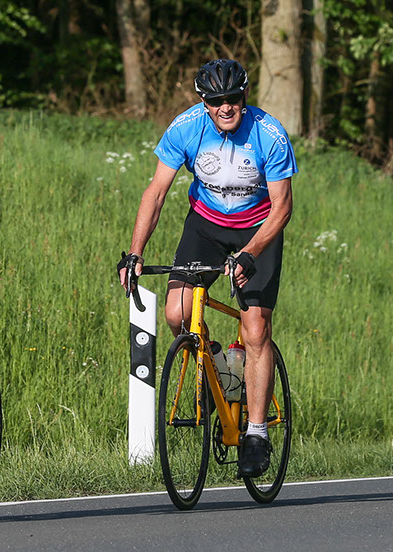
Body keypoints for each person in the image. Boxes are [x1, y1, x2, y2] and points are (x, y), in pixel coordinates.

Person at [118, 59, 297, 477]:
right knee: (177, 314)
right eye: (216, 101)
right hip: (206, 226)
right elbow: (156, 193)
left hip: (259, 228)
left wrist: (250, 253)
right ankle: (218, 365)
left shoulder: (269, 134)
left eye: (232, 98)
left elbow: (283, 207)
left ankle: (256, 433)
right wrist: (135, 252)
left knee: (255, 329)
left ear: (245, 96)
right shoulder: (186, 128)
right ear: (204, 103)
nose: (225, 107)